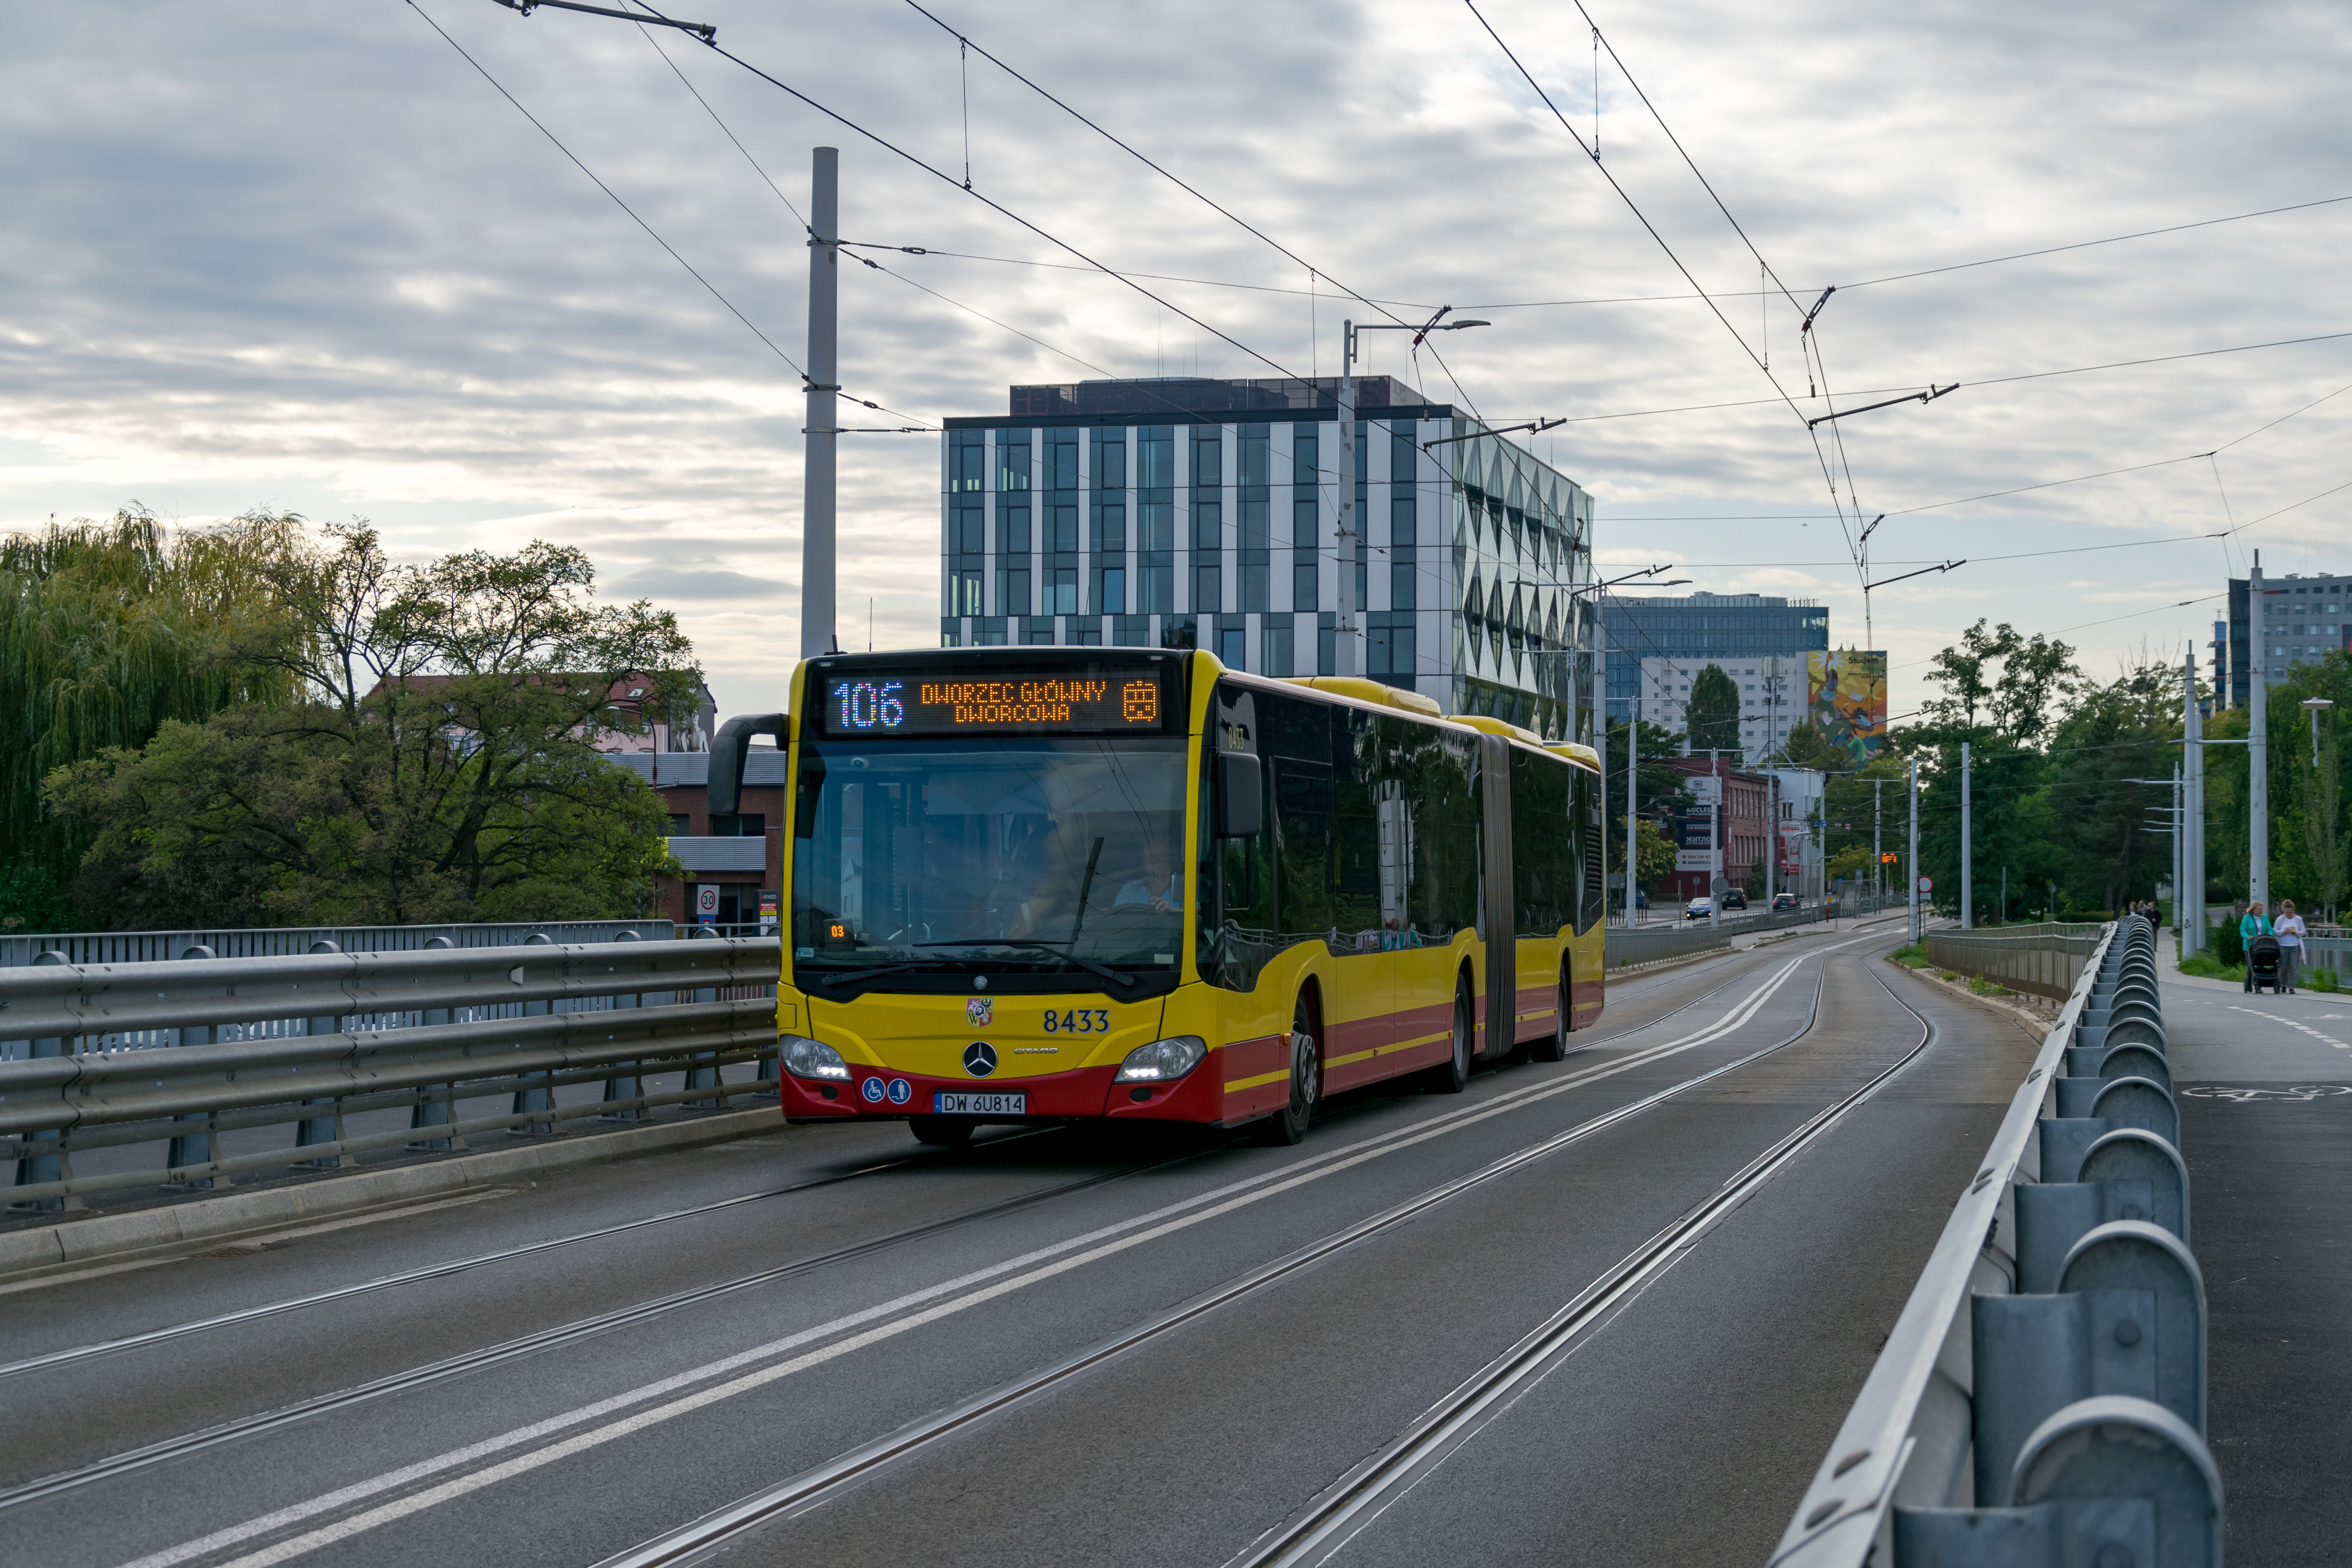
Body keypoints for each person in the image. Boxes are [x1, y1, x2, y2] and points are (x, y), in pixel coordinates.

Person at [2275, 900, 2307, 994]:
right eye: (2287, 912)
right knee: (2283, 967)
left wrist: (2296, 932)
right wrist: (2284, 931)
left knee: (2293, 967)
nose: (2289, 914)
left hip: (2295, 946)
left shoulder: (2298, 919)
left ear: (2293, 910)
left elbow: (2303, 932)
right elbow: (2276, 931)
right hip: (2283, 946)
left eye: (2290, 912)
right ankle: (2284, 984)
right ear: (2284, 910)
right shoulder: (2281, 919)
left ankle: (2292, 986)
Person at [2240, 901, 2270, 992]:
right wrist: (2247, 936)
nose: (2261, 911)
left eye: (2262, 909)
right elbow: (2242, 930)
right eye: (2259, 909)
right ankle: (2252, 984)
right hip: (2251, 945)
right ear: (2253, 910)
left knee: (2260, 964)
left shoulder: (2265, 918)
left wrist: (2269, 937)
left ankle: (2258, 984)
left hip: (2261, 945)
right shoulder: (2247, 918)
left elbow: (2269, 929)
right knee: (2251, 965)